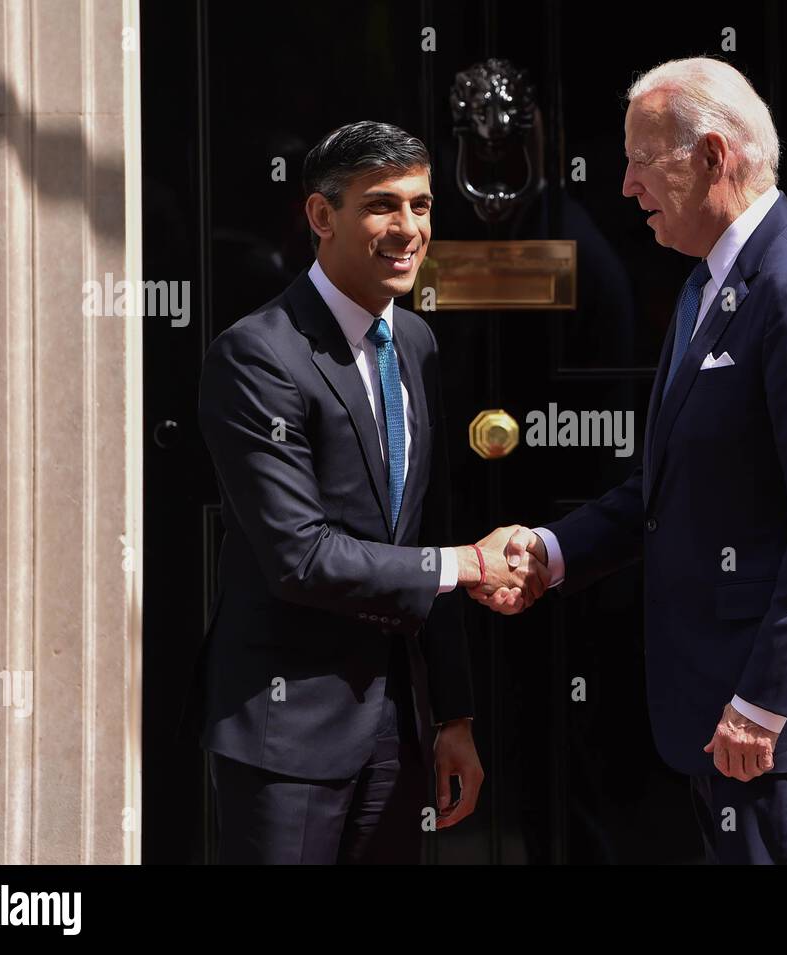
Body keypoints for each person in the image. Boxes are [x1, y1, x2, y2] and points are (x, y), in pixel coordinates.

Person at [476, 58, 787, 864]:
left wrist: (764, 702)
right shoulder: (705, 283)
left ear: (714, 156)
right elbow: (666, 490)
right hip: (719, 708)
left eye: (644, 160)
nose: (625, 185)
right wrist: (553, 550)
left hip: (767, 720)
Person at [188, 121, 549, 864]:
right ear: (322, 217)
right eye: (382, 206)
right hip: (286, 732)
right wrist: (471, 564)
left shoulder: (414, 343)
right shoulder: (258, 355)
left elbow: (426, 524)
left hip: (400, 728)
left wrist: (453, 714)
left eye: (421, 206)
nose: (408, 229)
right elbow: (301, 554)